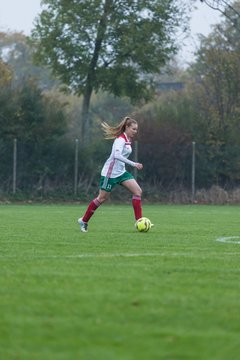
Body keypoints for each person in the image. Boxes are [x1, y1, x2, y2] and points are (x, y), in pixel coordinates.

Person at [78, 116, 145, 233]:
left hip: (121, 172)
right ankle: (84, 221)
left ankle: (139, 221)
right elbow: (117, 156)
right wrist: (134, 164)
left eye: (136, 129)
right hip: (110, 173)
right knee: (102, 198)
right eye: (133, 129)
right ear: (127, 127)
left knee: (137, 191)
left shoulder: (128, 140)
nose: (135, 131)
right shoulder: (120, 140)